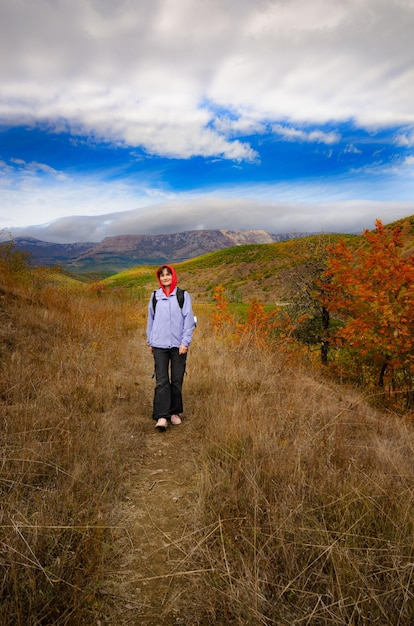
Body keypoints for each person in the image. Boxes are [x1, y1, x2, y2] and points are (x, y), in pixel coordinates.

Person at [146, 264, 195, 431]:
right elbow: (151, 320)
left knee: (176, 379)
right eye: (162, 275)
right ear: (159, 278)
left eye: (168, 274)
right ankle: (161, 416)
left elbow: (188, 321)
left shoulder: (182, 296)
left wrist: (185, 342)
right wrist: (150, 341)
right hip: (159, 344)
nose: (165, 277)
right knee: (161, 381)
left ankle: (174, 412)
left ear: (173, 276)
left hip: (178, 346)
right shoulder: (155, 296)